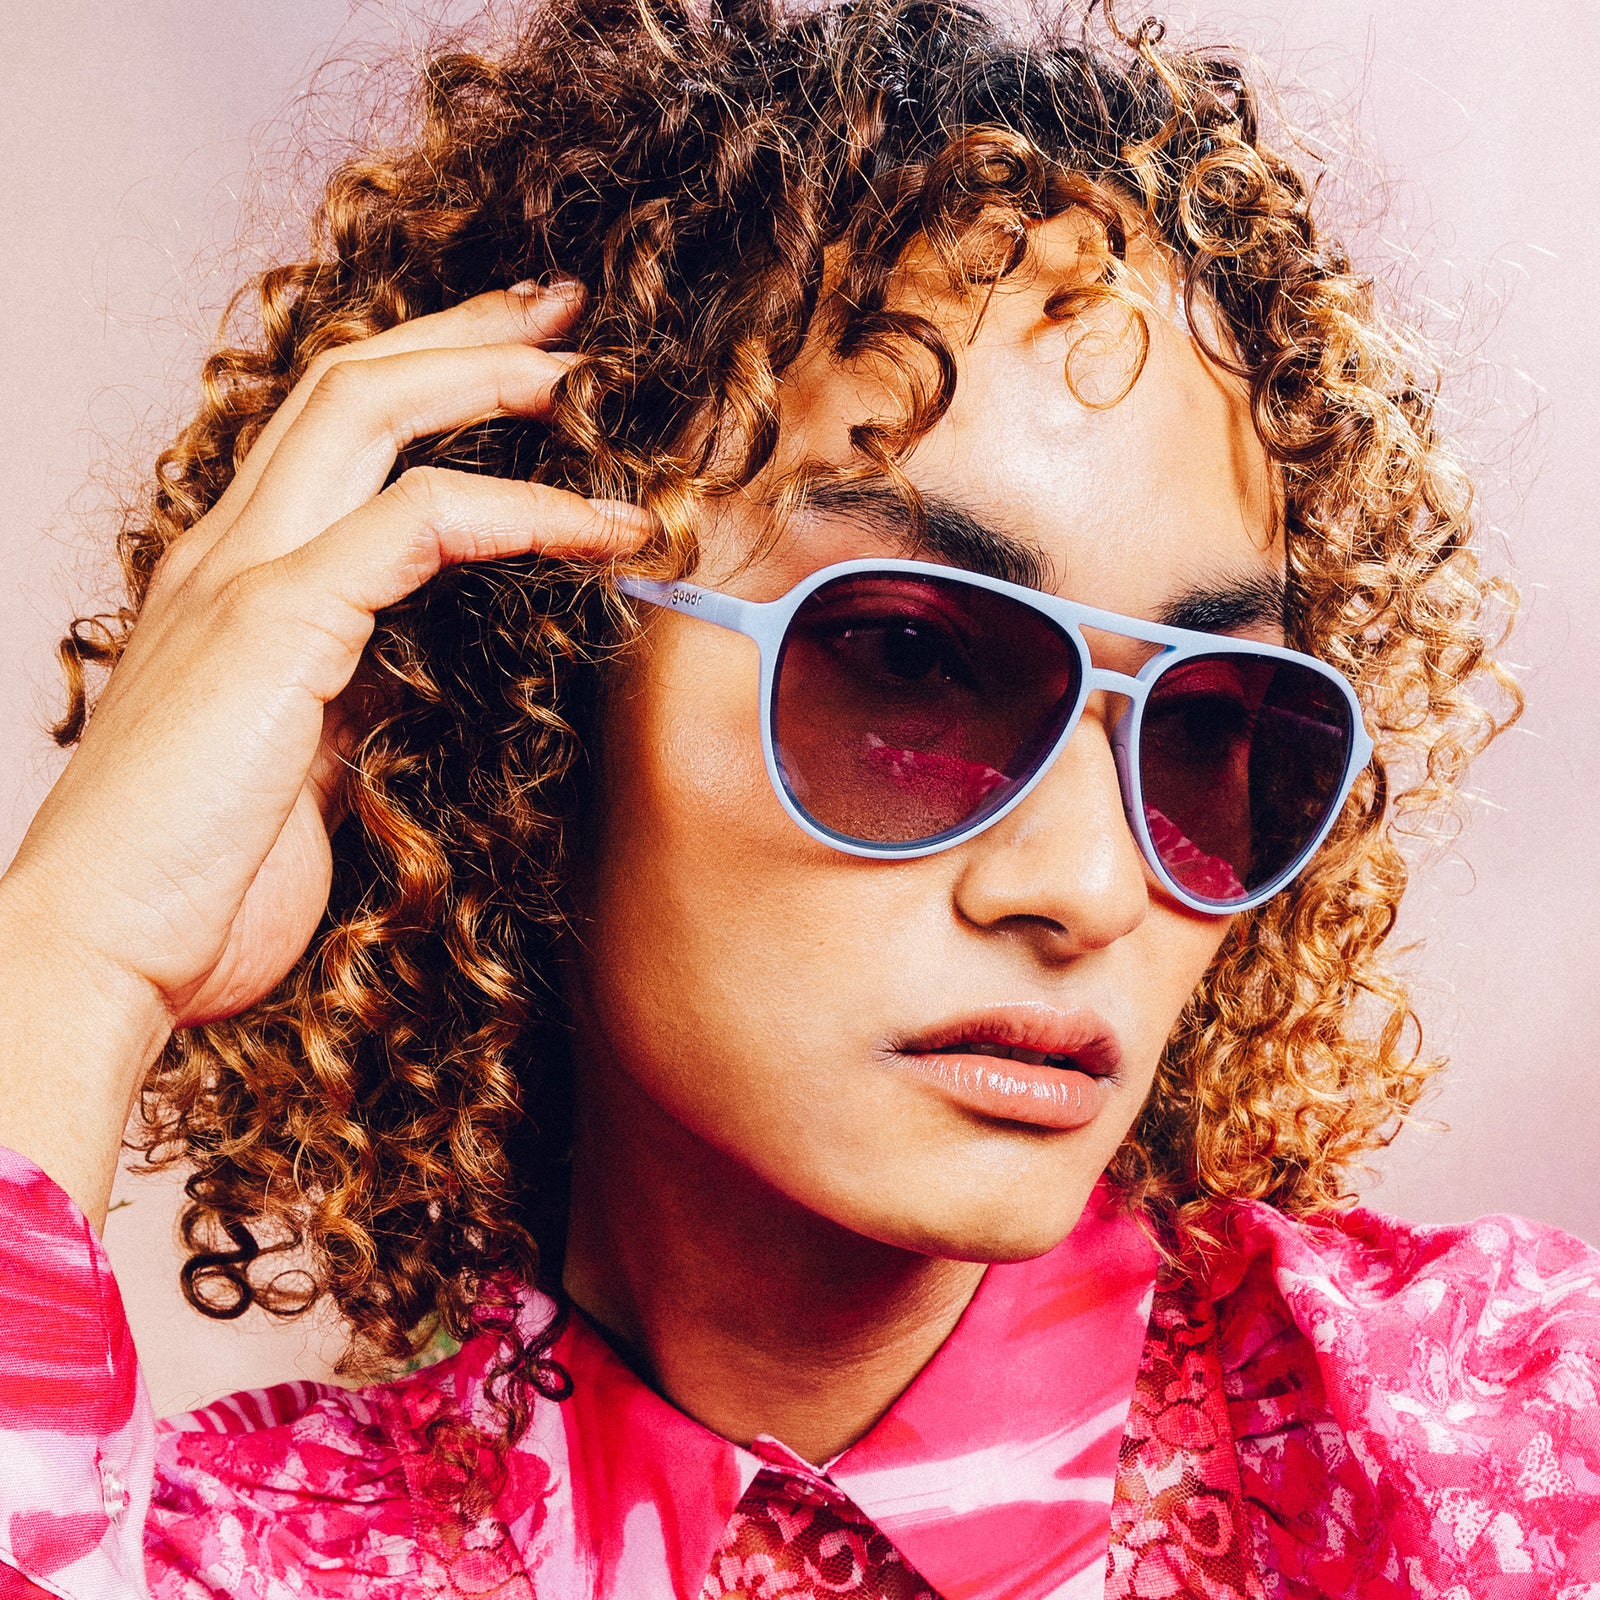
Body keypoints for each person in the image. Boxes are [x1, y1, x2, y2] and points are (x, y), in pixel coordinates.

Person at [1, 0, 1596, 1596]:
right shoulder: (221, 1559)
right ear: (529, 698)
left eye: (1210, 731)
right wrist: (73, 957)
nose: (1093, 885)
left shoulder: (1507, 1449)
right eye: (906, 660)